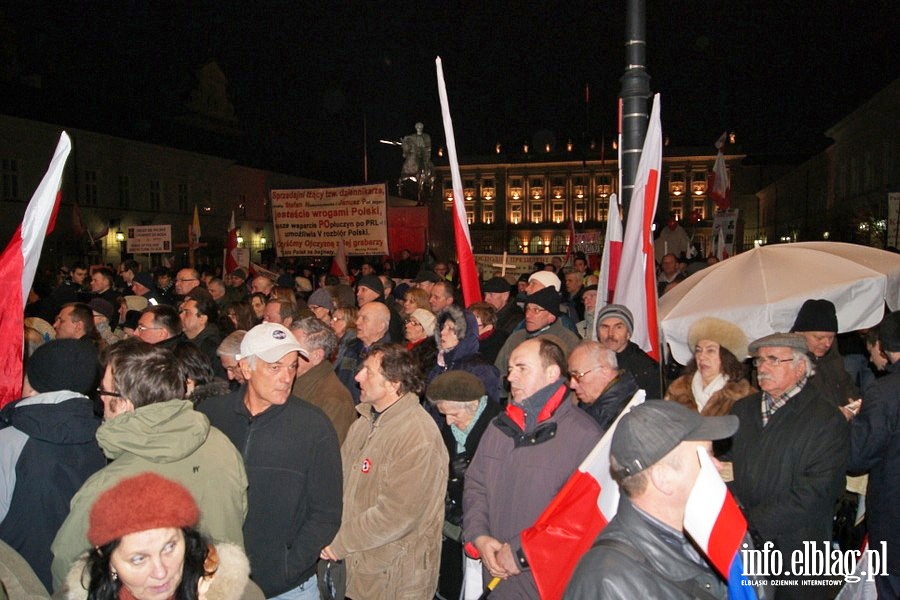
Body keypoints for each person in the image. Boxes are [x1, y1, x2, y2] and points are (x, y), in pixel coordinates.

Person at [50, 339, 248, 591]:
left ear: (124, 403)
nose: (99, 401)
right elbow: (238, 515)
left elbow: (70, 571)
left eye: (103, 392)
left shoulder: (108, 486)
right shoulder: (221, 445)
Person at [198, 323, 342, 599]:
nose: (287, 377)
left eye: (291, 367)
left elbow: (326, 512)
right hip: (218, 580)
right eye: (275, 367)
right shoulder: (211, 417)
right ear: (246, 368)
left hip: (288, 589)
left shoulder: (314, 427)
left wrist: (288, 567)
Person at [464, 338, 602, 599]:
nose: (510, 377)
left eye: (521, 368)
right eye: (510, 368)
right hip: (493, 575)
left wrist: (522, 553)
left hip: (542, 582)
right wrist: (479, 536)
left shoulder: (584, 436)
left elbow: (582, 517)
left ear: (552, 374)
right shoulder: (498, 428)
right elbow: (476, 485)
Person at [564, 401, 738, 600]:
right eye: (706, 457)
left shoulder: (711, 528)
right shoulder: (606, 584)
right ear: (663, 479)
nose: (718, 466)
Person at [321, 344, 447, 600]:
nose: (357, 377)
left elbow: (396, 514)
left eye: (368, 372)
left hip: (394, 579)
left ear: (393, 383)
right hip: (361, 568)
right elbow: (339, 484)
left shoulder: (418, 436)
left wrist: (339, 543)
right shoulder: (364, 423)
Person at [728, 332, 849, 597]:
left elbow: (818, 491)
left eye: (773, 360)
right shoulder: (742, 411)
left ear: (800, 367)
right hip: (745, 549)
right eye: (759, 361)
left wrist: (752, 522)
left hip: (798, 552)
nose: (763, 368)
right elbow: (726, 465)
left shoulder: (825, 419)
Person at [0, 339, 104, 592]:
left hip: (17, 581)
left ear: (33, 381)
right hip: (80, 580)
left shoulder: (11, 439)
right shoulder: (105, 434)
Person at [60, 472, 262, 600]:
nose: (161, 572)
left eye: (169, 548)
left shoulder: (239, 594)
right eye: (139, 559)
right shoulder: (74, 595)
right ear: (108, 560)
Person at [426, 371, 502, 600]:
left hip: (486, 528)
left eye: (453, 414)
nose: (448, 422)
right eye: (443, 414)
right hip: (454, 525)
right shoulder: (450, 428)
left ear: (473, 405)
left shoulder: (498, 426)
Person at [848, 311, 900, 598]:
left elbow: (857, 458)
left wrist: (849, 425)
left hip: (894, 529)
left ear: (884, 347)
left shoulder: (883, 393)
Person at [493, 287, 581, 395]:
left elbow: (574, 380)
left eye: (536, 310)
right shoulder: (516, 338)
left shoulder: (568, 340)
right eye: (528, 309)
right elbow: (497, 373)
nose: (528, 315)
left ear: (551, 316)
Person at [664, 317, 756, 416]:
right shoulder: (678, 388)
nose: (702, 357)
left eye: (710, 350)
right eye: (698, 350)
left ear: (727, 357)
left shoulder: (743, 395)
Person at [289, 317, 357, 445]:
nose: (285, 354)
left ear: (316, 356)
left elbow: (327, 454)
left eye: (294, 350)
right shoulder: (289, 382)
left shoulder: (334, 400)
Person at [790, 298, 859, 408]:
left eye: (831, 337)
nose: (827, 344)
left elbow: (847, 385)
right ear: (799, 334)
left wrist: (854, 404)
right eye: (819, 338)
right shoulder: (790, 362)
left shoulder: (833, 355)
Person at [429, 305, 501, 404]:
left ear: (466, 334)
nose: (442, 332)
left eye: (450, 328)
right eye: (443, 327)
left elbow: (486, 410)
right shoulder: (439, 363)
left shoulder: (481, 370)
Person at [567, 340, 640, 432]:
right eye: (571, 376)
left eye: (577, 375)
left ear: (604, 373)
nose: (572, 385)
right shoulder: (593, 408)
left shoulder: (625, 417)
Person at [596, 304, 663, 398]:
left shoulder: (645, 368)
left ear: (628, 333)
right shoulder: (590, 360)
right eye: (605, 327)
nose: (610, 334)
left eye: (618, 327)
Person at [335, 302, 391, 404]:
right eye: (358, 317)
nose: (357, 322)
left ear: (380, 327)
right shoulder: (351, 347)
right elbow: (338, 377)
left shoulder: (389, 356)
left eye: (364, 318)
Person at [404, 307, 438, 382]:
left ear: (426, 331)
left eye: (414, 323)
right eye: (409, 321)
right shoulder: (405, 346)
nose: (407, 325)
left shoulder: (427, 355)